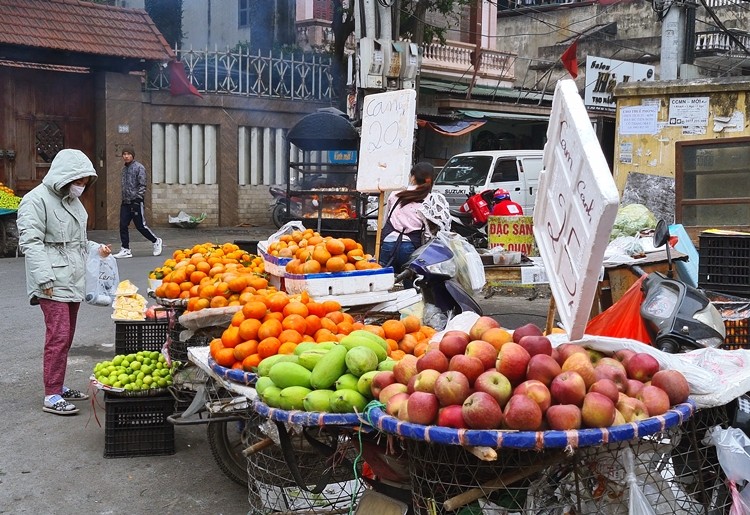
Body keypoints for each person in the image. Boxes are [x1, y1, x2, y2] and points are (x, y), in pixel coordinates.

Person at [16, 149, 112, 416]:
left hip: (73, 278)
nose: (81, 186)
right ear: (65, 176)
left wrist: (97, 248)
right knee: (57, 337)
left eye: (84, 182)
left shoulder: (72, 202)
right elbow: (31, 243)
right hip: (51, 280)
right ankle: (51, 394)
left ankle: (58, 384)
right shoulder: (35, 200)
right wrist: (43, 277)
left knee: (66, 337)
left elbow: (78, 241)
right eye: (78, 181)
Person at [379, 162, 450, 285]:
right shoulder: (431, 199)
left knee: (383, 284)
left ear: (412, 177)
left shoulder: (395, 194)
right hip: (410, 246)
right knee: (410, 288)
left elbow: (386, 219)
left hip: (388, 243)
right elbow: (436, 230)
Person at [112, 146, 162, 258]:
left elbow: (142, 185)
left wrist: (138, 199)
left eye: (128, 154)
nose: (126, 156)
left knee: (140, 226)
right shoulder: (123, 170)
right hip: (125, 202)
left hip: (136, 201)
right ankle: (125, 249)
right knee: (123, 225)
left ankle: (156, 241)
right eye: (124, 154)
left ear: (132, 155)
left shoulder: (139, 168)